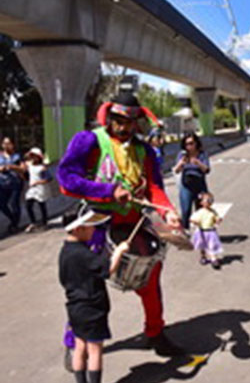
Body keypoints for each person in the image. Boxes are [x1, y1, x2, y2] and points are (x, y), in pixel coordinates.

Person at [58, 93, 183, 356]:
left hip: (133, 223)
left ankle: (155, 332)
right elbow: (66, 179)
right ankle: (75, 344)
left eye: (130, 123)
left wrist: (167, 211)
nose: (125, 128)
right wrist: (108, 190)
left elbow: (154, 188)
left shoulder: (145, 150)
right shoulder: (89, 141)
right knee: (86, 290)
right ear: (109, 118)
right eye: (119, 122)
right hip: (96, 223)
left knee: (151, 277)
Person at [58, 207, 128, 383]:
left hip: (74, 306)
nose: (93, 231)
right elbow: (107, 270)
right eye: (90, 227)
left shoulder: (65, 251)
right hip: (92, 307)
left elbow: (63, 279)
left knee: (79, 347)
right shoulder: (83, 253)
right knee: (95, 350)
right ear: (78, 229)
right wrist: (120, 251)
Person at [173, 133, 210, 229]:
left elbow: (207, 170)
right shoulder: (182, 155)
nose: (189, 147)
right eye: (186, 144)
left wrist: (198, 163)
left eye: (191, 143)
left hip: (200, 186)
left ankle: (202, 234)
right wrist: (181, 163)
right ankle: (185, 231)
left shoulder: (202, 154)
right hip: (186, 186)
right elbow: (176, 171)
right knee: (185, 210)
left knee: (201, 211)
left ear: (196, 143)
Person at [190, 192, 223, 269]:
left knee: (212, 246)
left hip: (211, 232)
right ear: (201, 202)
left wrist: (218, 220)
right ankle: (203, 256)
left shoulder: (213, 211)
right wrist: (195, 222)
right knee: (202, 246)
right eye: (207, 200)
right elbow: (192, 219)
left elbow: (216, 218)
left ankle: (213, 259)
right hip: (201, 232)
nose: (209, 202)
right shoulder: (200, 212)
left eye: (211, 200)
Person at [0, 136, 25, 232]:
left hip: (16, 183)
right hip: (2, 183)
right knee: (2, 204)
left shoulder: (17, 156)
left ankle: (15, 224)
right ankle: (13, 220)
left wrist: (11, 167)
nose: (6, 145)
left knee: (14, 203)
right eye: (4, 143)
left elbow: (23, 169)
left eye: (9, 143)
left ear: (13, 145)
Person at [24, 147, 52, 232]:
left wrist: (38, 182)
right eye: (32, 156)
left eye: (34, 156)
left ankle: (45, 222)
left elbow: (49, 178)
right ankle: (33, 222)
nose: (33, 158)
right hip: (32, 189)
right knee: (28, 205)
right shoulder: (29, 165)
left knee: (41, 205)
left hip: (40, 189)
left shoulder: (42, 168)